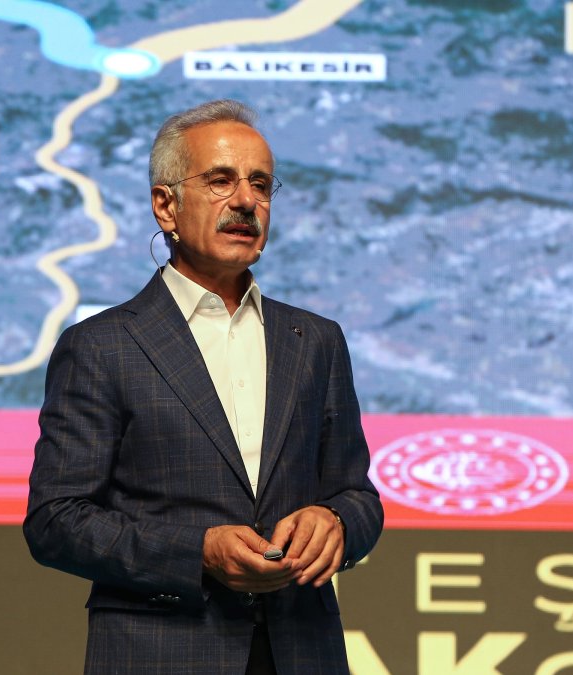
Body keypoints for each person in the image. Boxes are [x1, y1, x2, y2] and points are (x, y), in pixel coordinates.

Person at [24, 99, 383, 675]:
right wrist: (198, 552)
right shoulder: (102, 345)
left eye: (261, 185)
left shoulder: (315, 340)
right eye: (221, 181)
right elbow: (56, 520)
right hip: (162, 653)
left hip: (301, 651)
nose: (246, 200)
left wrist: (337, 523)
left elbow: (358, 497)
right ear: (165, 205)